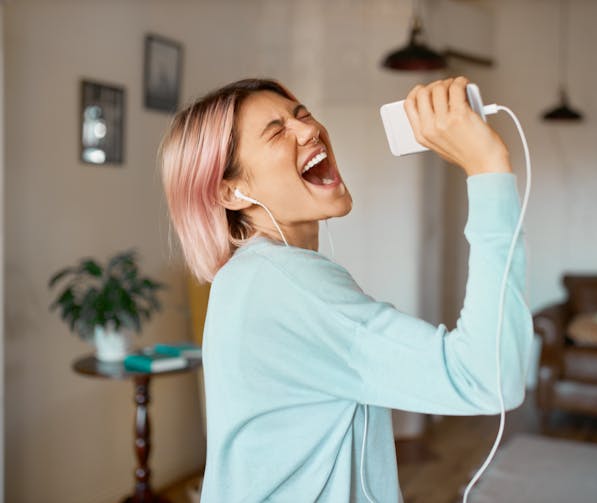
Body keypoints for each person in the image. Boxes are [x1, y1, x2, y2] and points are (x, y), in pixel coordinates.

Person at [160, 76, 533, 502]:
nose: (309, 129)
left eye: (302, 115)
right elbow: (489, 377)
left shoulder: (250, 276)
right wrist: (488, 167)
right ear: (232, 191)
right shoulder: (284, 284)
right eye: (278, 131)